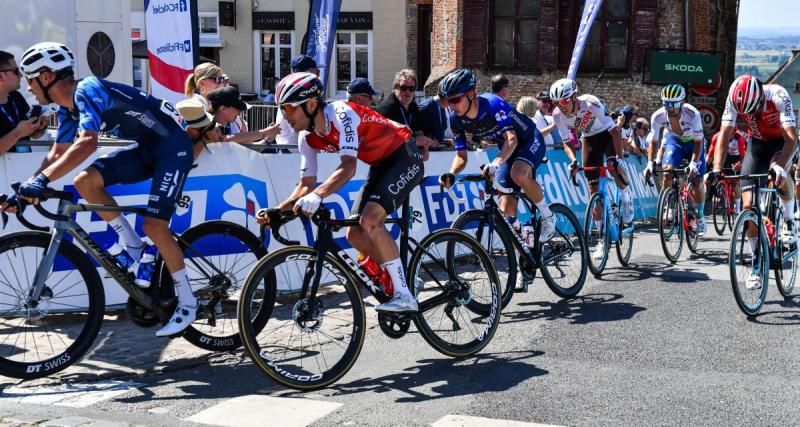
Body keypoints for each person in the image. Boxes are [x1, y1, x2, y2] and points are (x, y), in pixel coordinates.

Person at [1, 42, 196, 337]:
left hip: (173, 147)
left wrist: (40, 182)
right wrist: (27, 188)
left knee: (155, 225)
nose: (28, 89)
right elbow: (56, 155)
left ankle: (187, 301)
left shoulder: (87, 89)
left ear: (44, 77)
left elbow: (88, 143)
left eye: (29, 79)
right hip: (146, 148)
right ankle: (134, 246)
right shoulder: (67, 109)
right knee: (85, 181)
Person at [259, 72, 424, 312]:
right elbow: (305, 185)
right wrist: (277, 210)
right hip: (380, 164)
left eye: (287, 108)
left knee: (370, 220)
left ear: (311, 103)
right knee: (353, 235)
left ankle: (404, 294)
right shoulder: (306, 138)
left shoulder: (341, 114)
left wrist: (318, 196)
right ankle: (404, 280)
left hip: (405, 155)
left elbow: (349, 166)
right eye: (281, 109)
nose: (284, 116)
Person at [438, 70, 554, 282]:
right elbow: (461, 156)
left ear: (471, 94)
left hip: (528, 140)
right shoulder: (456, 120)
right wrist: (451, 173)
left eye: (455, 99)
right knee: (506, 212)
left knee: (518, 173)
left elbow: (512, 139)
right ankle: (523, 262)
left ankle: (548, 216)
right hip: (507, 150)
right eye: (448, 100)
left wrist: (497, 162)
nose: (452, 105)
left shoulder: (493, 104)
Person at [708, 75, 797, 289]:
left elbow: (792, 140)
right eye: (745, 113)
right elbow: (724, 134)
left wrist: (778, 166)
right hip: (756, 145)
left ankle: (788, 219)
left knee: (780, 175)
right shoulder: (733, 97)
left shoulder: (778, 95)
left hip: (781, 142)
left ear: (759, 98)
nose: (750, 115)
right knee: (748, 205)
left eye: (753, 110)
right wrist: (717, 169)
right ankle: (757, 260)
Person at [549, 78, 632, 260]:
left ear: (574, 97)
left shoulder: (590, 104)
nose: (560, 106)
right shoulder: (557, 115)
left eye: (563, 101)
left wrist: (619, 158)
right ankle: (602, 239)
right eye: (556, 102)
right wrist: (573, 161)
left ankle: (626, 195)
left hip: (607, 135)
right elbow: (566, 142)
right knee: (593, 189)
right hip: (589, 139)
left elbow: (614, 131)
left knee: (612, 167)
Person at [643, 84, 708, 236]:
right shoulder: (658, 115)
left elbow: (699, 142)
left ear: (682, 102)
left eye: (673, 104)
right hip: (675, 142)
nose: (670, 108)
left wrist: (693, 163)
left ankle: (699, 216)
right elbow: (654, 141)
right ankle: (670, 206)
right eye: (666, 104)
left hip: (694, 143)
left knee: (697, 182)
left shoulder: (693, 114)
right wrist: (650, 163)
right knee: (667, 172)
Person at [0, 50, 49, 154]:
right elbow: (19, 132)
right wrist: (18, 133)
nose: (21, 75)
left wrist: (37, 128)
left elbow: (32, 135)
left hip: (22, 166)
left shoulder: (15, 96)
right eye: (16, 71)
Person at [274, 55, 319, 146]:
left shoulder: (304, 93)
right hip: (291, 152)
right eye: (316, 71)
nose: (318, 75)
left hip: (297, 149)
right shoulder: (292, 95)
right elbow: (303, 128)